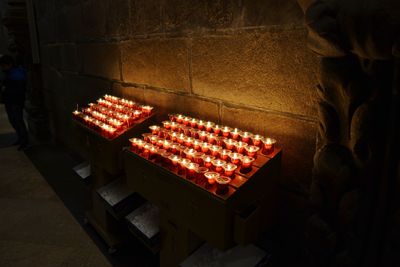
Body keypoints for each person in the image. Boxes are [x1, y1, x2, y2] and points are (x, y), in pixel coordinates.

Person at [0, 55, 29, 150]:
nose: (3, 68)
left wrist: (6, 88)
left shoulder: (17, 74)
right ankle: (20, 138)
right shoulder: (9, 73)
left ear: (10, 64)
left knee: (18, 121)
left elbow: (18, 90)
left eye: (4, 65)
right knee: (13, 121)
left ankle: (24, 140)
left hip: (15, 101)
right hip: (10, 101)